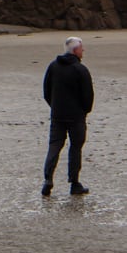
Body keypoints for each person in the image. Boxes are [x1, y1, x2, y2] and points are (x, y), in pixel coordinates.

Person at [42, 36, 95, 196]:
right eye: (81, 48)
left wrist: (55, 106)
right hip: (76, 116)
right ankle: (74, 182)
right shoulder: (80, 69)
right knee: (75, 147)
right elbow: (88, 96)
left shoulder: (53, 66)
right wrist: (84, 111)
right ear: (75, 50)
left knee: (54, 146)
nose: (83, 50)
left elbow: (46, 91)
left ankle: (48, 179)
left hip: (58, 115)